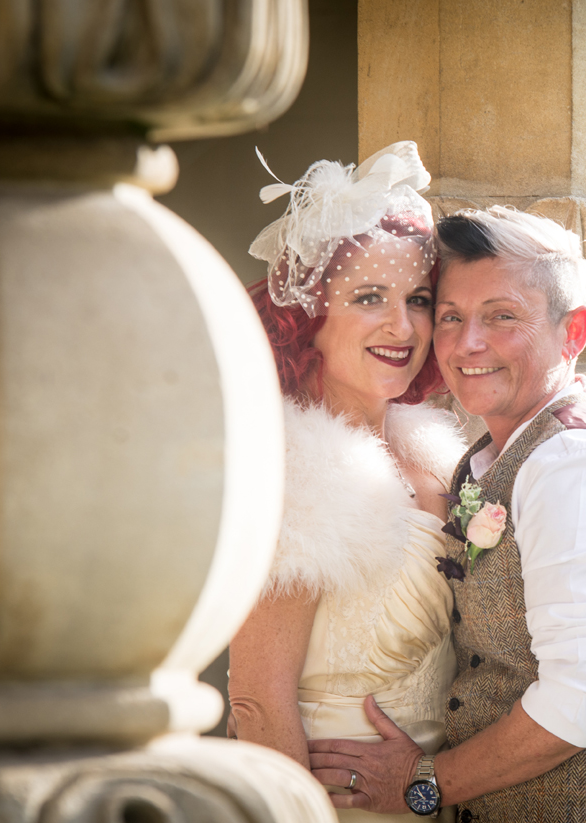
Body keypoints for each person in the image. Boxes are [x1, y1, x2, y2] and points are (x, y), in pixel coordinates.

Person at [307, 207, 586, 822]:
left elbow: (583, 699)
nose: (467, 343)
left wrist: (423, 783)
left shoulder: (575, 465)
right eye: (451, 317)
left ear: (573, 333)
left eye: (502, 316)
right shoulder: (504, 456)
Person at [227, 142, 466, 822]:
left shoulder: (439, 453)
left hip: (443, 795)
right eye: (369, 298)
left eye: (419, 300)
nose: (403, 325)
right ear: (309, 318)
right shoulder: (296, 470)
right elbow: (259, 703)